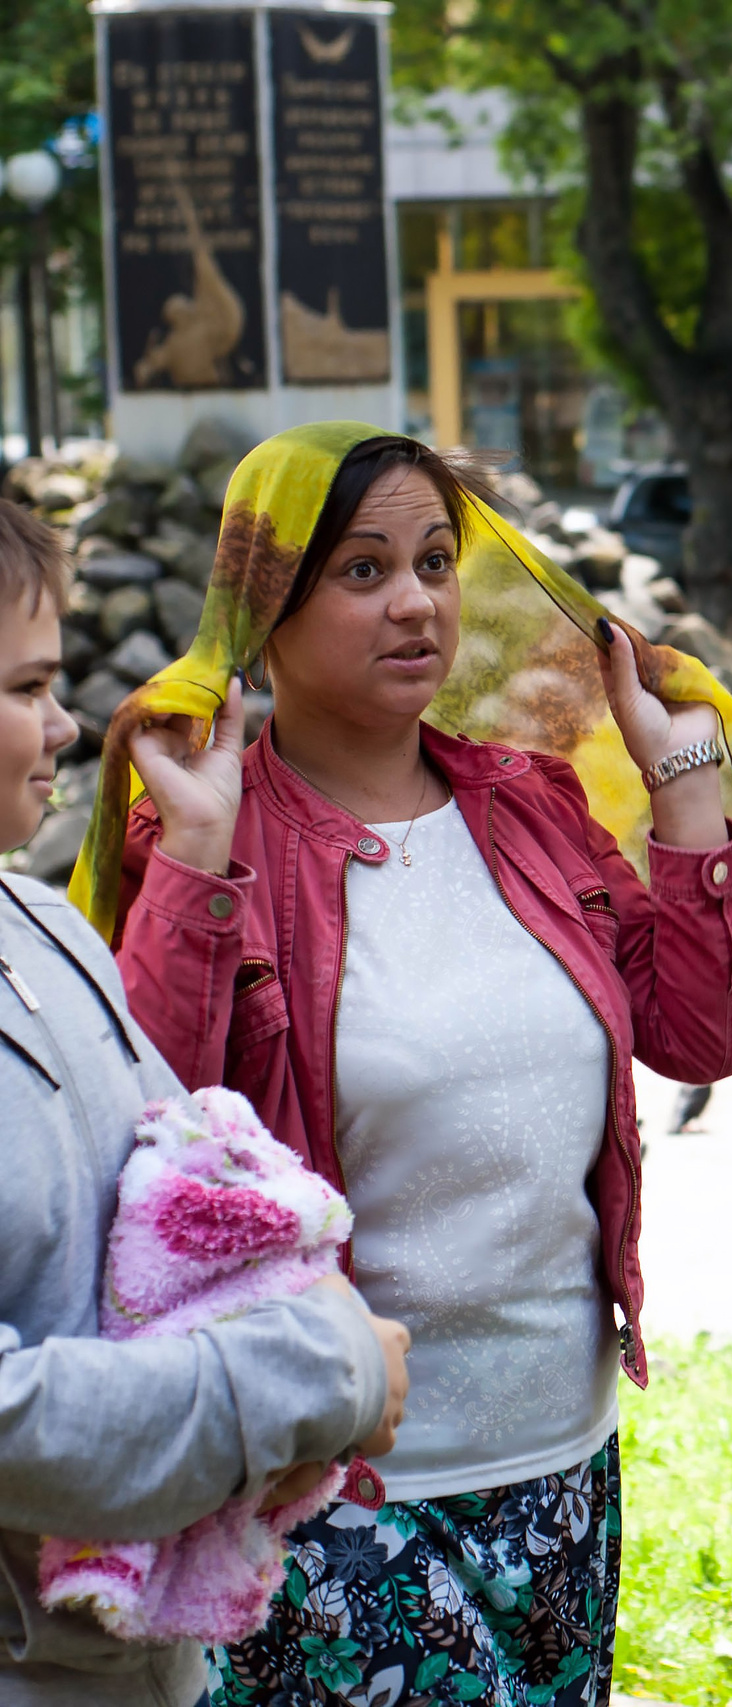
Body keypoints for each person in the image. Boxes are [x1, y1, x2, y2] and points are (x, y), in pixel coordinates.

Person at [85, 426, 732, 1706]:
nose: (416, 601)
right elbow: (154, 1123)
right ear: (264, 607)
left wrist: (678, 774)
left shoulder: (529, 803)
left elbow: (698, 1034)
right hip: (334, 1485)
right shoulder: (211, 834)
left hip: (562, 1460)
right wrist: (194, 853)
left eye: (438, 562)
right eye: (361, 570)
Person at [0, 495, 407, 1707]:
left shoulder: (38, 922)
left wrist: (192, 854)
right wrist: (308, 1377)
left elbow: (188, 1167)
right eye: (26, 690)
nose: (66, 725)